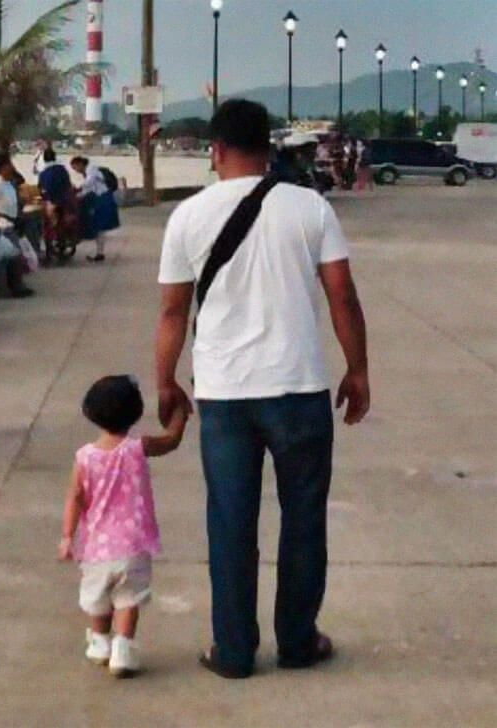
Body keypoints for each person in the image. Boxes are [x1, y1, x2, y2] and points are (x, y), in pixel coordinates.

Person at [156, 99, 370, 678]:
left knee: (229, 521)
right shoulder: (310, 208)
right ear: (269, 149)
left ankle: (233, 651)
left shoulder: (188, 216)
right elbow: (342, 295)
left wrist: (165, 381)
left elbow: (173, 311)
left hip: (224, 395)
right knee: (304, 518)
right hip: (299, 388)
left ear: (216, 151)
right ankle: (298, 642)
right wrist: (357, 369)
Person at [58, 375, 188, 677]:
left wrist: (67, 535)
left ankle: (100, 642)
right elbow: (171, 440)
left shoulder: (84, 457)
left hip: (96, 547)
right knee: (128, 599)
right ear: (136, 412)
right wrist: (180, 413)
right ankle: (123, 648)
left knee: (99, 600)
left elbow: (75, 497)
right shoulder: (138, 448)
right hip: (133, 544)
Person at [0, 152, 34, 297]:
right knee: (13, 255)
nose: (11, 167)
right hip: (3, 224)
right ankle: (14, 287)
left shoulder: (9, 182)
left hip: (13, 222)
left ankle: (16, 286)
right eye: (8, 165)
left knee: (16, 257)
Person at [71, 156, 121, 263]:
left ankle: (100, 253)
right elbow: (89, 188)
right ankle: (99, 253)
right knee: (99, 228)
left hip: (103, 198)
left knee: (99, 226)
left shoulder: (91, 169)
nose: (76, 171)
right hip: (102, 198)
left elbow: (89, 183)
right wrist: (80, 193)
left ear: (80, 163)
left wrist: (78, 189)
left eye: (75, 167)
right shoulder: (90, 170)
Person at [38, 148, 76, 263]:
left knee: (49, 225)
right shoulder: (62, 169)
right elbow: (68, 185)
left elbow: (42, 189)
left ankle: (50, 249)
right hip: (65, 202)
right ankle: (64, 243)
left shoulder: (44, 172)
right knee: (64, 224)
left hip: (52, 203)